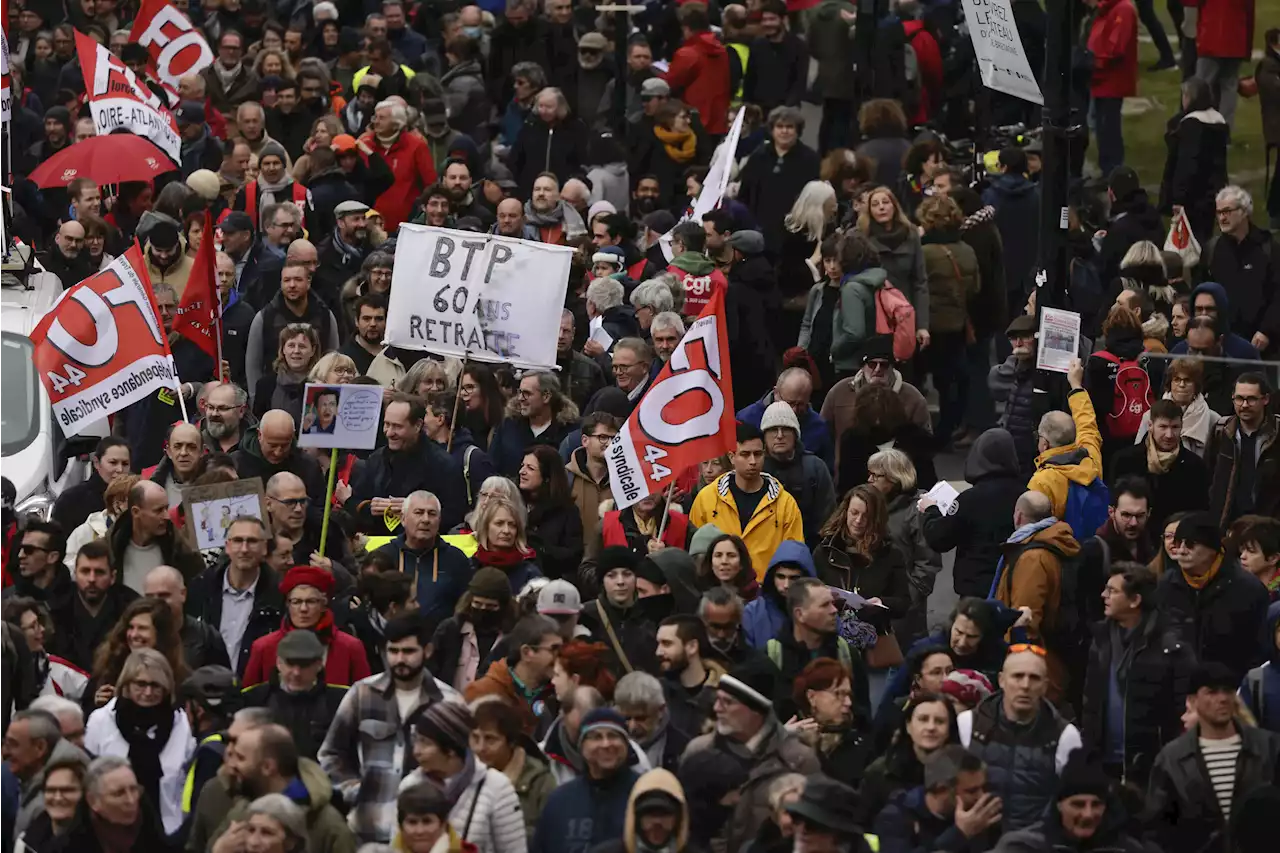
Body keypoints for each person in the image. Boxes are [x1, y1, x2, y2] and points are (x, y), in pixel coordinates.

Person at [319, 614, 459, 844]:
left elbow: (463, 768)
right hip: (366, 832)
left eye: (408, 651)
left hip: (424, 838)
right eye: (393, 651)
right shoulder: (362, 694)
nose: (399, 659)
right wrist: (353, 790)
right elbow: (331, 753)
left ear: (428, 651)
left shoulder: (448, 702)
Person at [1146, 662, 1280, 853]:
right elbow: (1157, 829)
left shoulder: (1269, 748)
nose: (1223, 698)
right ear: (1192, 701)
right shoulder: (1172, 759)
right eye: (1212, 692)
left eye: (1228, 691)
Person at [1082, 562, 1192, 787]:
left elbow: (1183, 706)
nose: (1104, 595)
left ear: (1135, 600)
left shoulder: (1169, 646)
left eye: (1112, 591)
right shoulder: (1101, 639)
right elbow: (1090, 701)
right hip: (1105, 763)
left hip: (1152, 766)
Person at [958, 648, 1083, 832]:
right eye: (1017, 676)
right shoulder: (968, 724)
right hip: (977, 840)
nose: (1025, 685)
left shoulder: (1065, 736)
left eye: (1034, 678)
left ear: (1045, 685)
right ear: (1001, 680)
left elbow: (1075, 802)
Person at [83, 648, 194, 835]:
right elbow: (88, 779)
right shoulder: (101, 721)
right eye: (140, 684)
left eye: (156, 685)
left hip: (168, 834)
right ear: (126, 684)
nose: (148, 692)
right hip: (109, 833)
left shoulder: (180, 723)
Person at [1156, 512, 1269, 681]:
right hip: (1176, 691)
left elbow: (1259, 650)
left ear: (1212, 549)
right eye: (1179, 543)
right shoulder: (1166, 585)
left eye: (1191, 544)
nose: (1181, 550)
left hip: (1228, 692)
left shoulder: (1248, 589)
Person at [401, 702, 527, 853]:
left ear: (451, 750)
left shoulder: (496, 787)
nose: (416, 751)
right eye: (416, 741)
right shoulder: (410, 785)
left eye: (425, 743)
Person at [689, 423, 804, 580]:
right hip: (718, 592)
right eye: (745, 454)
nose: (752, 461)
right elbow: (695, 553)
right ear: (731, 457)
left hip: (765, 594)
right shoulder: (706, 498)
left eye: (758, 454)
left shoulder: (785, 503)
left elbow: (794, 556)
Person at [346, 393, 468, 534]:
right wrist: (370, 508)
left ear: (417, 426)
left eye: (397, 426)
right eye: (387, 424)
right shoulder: (376, 459)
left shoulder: (443, 465)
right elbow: (355, 504)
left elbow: (455, 515)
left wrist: (417, 511)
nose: (390, 433)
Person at [993, 752, 1149, 853]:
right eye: (1078, 804)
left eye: (1096, 804)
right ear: (1059, 804)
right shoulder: (1022, 847)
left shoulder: (1128, 849)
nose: (1088, 814)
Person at [530, 708, 639, 853]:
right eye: (596, 737)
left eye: (613, 736)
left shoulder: (643, 793)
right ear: (582, 747)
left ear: (626, 745)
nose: (606, 744)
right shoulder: (560, 801)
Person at [241, 565, 368, 688]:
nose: (303, 609)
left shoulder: (350, 647)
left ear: (324, 605)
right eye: (296, 602)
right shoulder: (263, 647)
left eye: (311, 601)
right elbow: (249, 697)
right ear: (287, 604)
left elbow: (363, 699)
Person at [239, 630, 348, 761]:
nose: (296, 673)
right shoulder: (254, 698)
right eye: (290, 663)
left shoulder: (340, 701)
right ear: (279, 663)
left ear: (319, 664)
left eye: (304, 665)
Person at [873, 745, 1002, 853]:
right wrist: (959, 834)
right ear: (941, 789)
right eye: (971, 791)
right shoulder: (895, 817)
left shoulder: (981, 819)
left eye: (983, 787)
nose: (981, 796)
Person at [372, 490, 472, 628]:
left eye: (432, 514)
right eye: (418, 512)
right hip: (392, 643)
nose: (425, 520)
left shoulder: (456, 560)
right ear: (403, 519)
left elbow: (465, 607)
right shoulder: (383, 556)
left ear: (439, 520)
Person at [1110, 399, 1212, 533]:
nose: (1169, 435)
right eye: (1163, 427)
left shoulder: (1195, 466)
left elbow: (1199, 513)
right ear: (1150, 425)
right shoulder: (1125, 460)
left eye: (1175, 427)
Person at [859, 692, 960, 822]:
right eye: (923, 719)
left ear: (949, 730)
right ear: (908, 726)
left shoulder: (963, 774)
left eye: (939, 721)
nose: (931, 727)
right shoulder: (879, 774)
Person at [49, 541, 140, 674]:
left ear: (113, 577)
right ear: (75, 574)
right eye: (85, 571)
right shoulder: (56, 608)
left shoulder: (130, 608)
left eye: (99, 572)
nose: (91, 579)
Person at [465, 614, 561, 736]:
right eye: (554, 650)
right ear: (527, 652)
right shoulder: (483, 691)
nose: (560, 656)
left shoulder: (557, 694)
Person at [428, 567, 519, 692]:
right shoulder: (450, 630)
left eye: (491, 606)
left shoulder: (514, 637)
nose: (483, 609)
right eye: (477, 604)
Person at [1206, 373, 1280, 525]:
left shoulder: (1277, 433)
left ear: (1265, 399)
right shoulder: (1221, 430)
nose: (1244, 405)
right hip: (1228, 525)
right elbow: (1208, 475)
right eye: (1239, 398)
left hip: (1270, 526)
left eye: (1251, 399)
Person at [758, 402, 835, 548]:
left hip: (809, 549)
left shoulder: (815, 468)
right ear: (764, 436)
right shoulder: (756, 469)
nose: (779, 436)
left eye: (786, 429)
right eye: (773, 430)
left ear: (795, 434)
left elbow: (828, 520)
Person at [789, 658, 872, 791]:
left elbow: (841, 791)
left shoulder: (860, 743)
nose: (848, 702)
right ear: (812, 697)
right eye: (838, 694)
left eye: (849, 695)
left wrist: (815, 752)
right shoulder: (790, 736)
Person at [108, 480, 206, 591]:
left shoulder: (183, 553)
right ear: (136, 512)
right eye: (158, 510)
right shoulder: (109, 550)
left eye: (166, 508)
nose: (167, 516)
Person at [580, 547, 661, 677]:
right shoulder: (586, 616)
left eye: (627, 574)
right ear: (602, 581)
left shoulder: (651, 613)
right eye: (611, 575)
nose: (620, 582)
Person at [489, 372, 581, 479]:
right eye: (519, 392)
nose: (520, 398)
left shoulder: (570, 432)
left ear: (546, 396)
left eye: (527, 393)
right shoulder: (508, 426)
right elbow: (492, 467)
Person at [142, 566, 231, 672]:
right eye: (149, 597)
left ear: (183, 594)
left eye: (164, 595)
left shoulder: (207, 637)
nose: (156, 602)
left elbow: (222, 683)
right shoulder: (135, 634)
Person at [741, 542, 815, 650]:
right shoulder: (752, 613)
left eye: (794, 578)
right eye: (781, 577)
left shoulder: (824, 612)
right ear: (772, 577)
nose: (786, 585)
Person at [51, 437, 131, 535]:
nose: (120, 469)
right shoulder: (70, 499)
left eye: (125, 464)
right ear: (96, 463)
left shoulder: (136, 497)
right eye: (113, 463)